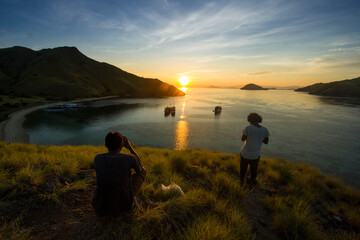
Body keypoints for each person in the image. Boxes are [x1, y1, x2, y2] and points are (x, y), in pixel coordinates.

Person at [92, 131, 146, 218]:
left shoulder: (97, 158)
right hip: (123, 206)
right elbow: (140, 167)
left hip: (100, 206)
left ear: (106, 145)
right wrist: (130, 147)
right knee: (143, 171)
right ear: (121, 145)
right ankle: (129, 197)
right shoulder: (129, 158)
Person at [240, 113, 269, 186]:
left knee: (243, 169)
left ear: (250, 120)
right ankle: (251, 183)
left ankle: (241, 183)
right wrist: (258, 137)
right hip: (256, 154)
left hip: (245, 153)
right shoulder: (265, 129)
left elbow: (242, 139)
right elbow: (266, 142)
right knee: (254, 170)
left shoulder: (248, 128)